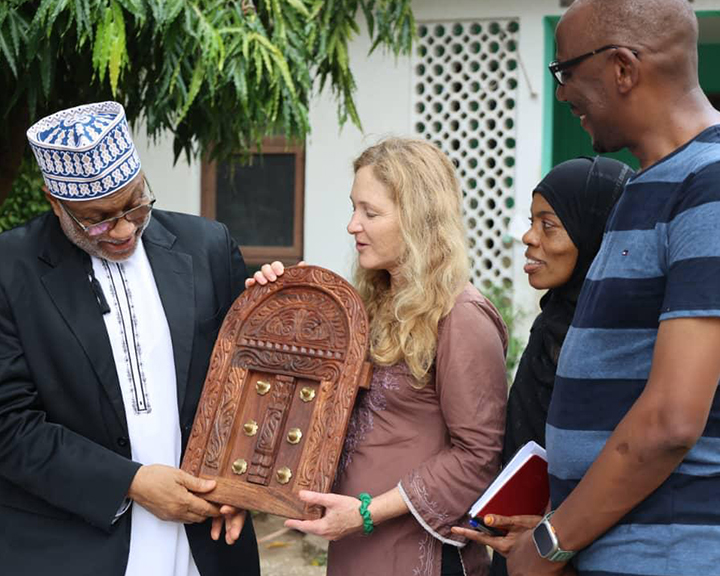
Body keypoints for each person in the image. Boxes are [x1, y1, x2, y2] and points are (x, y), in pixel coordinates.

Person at [498, 1, 720, 575]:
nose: (562, 92)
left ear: (622, 68)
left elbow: (671, 421)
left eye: (564, 71)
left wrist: (550, 544)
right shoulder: (646, 186)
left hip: (671, 556)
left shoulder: (709, 186)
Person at [0, 101, 260, 576]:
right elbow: (9, 426)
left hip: (207, 542)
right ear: (54, 202)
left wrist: (244, 484)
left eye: (135, 204)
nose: (123, 229)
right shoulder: (9, 270)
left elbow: (248, 383)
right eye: (97, 220)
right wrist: (132, 483)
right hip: (71, 545)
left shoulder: (207, 247)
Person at [248, 137, 509, 575]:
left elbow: (477, 456)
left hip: (416, 553)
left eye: (370, 213)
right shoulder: (370, 304)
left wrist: (367, 512)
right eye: (354, 208)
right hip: (357, 547)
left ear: (418, 219)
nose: (353, 225)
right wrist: (276, 299)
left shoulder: (462, 316)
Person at [449, 156, 633, 576]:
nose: (529, 238)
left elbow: (621, 462)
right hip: (522, 544)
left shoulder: (617, 345)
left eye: (548, 225)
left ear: (595, 234)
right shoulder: (553, 323)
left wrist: (553, 537)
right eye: (532, 222)